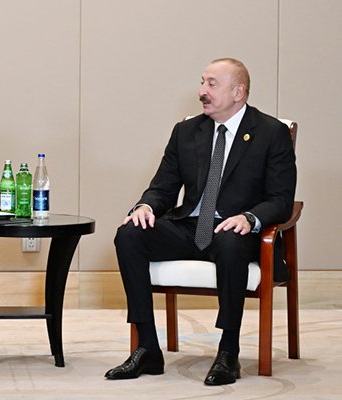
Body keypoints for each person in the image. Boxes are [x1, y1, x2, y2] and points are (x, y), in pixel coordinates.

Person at [105, 58, 296, 386]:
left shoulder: (270, 132)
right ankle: (147, 347)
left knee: (230, 241)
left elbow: (281, 199)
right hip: (190, 227)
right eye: (202, 82)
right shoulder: (186, 131)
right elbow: (163, 187)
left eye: (211, 84)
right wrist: (145, 206)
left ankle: (228, 351)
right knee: (129, 234)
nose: (201, 92)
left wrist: (249, 218)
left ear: (238, 92)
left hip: (238, 232)